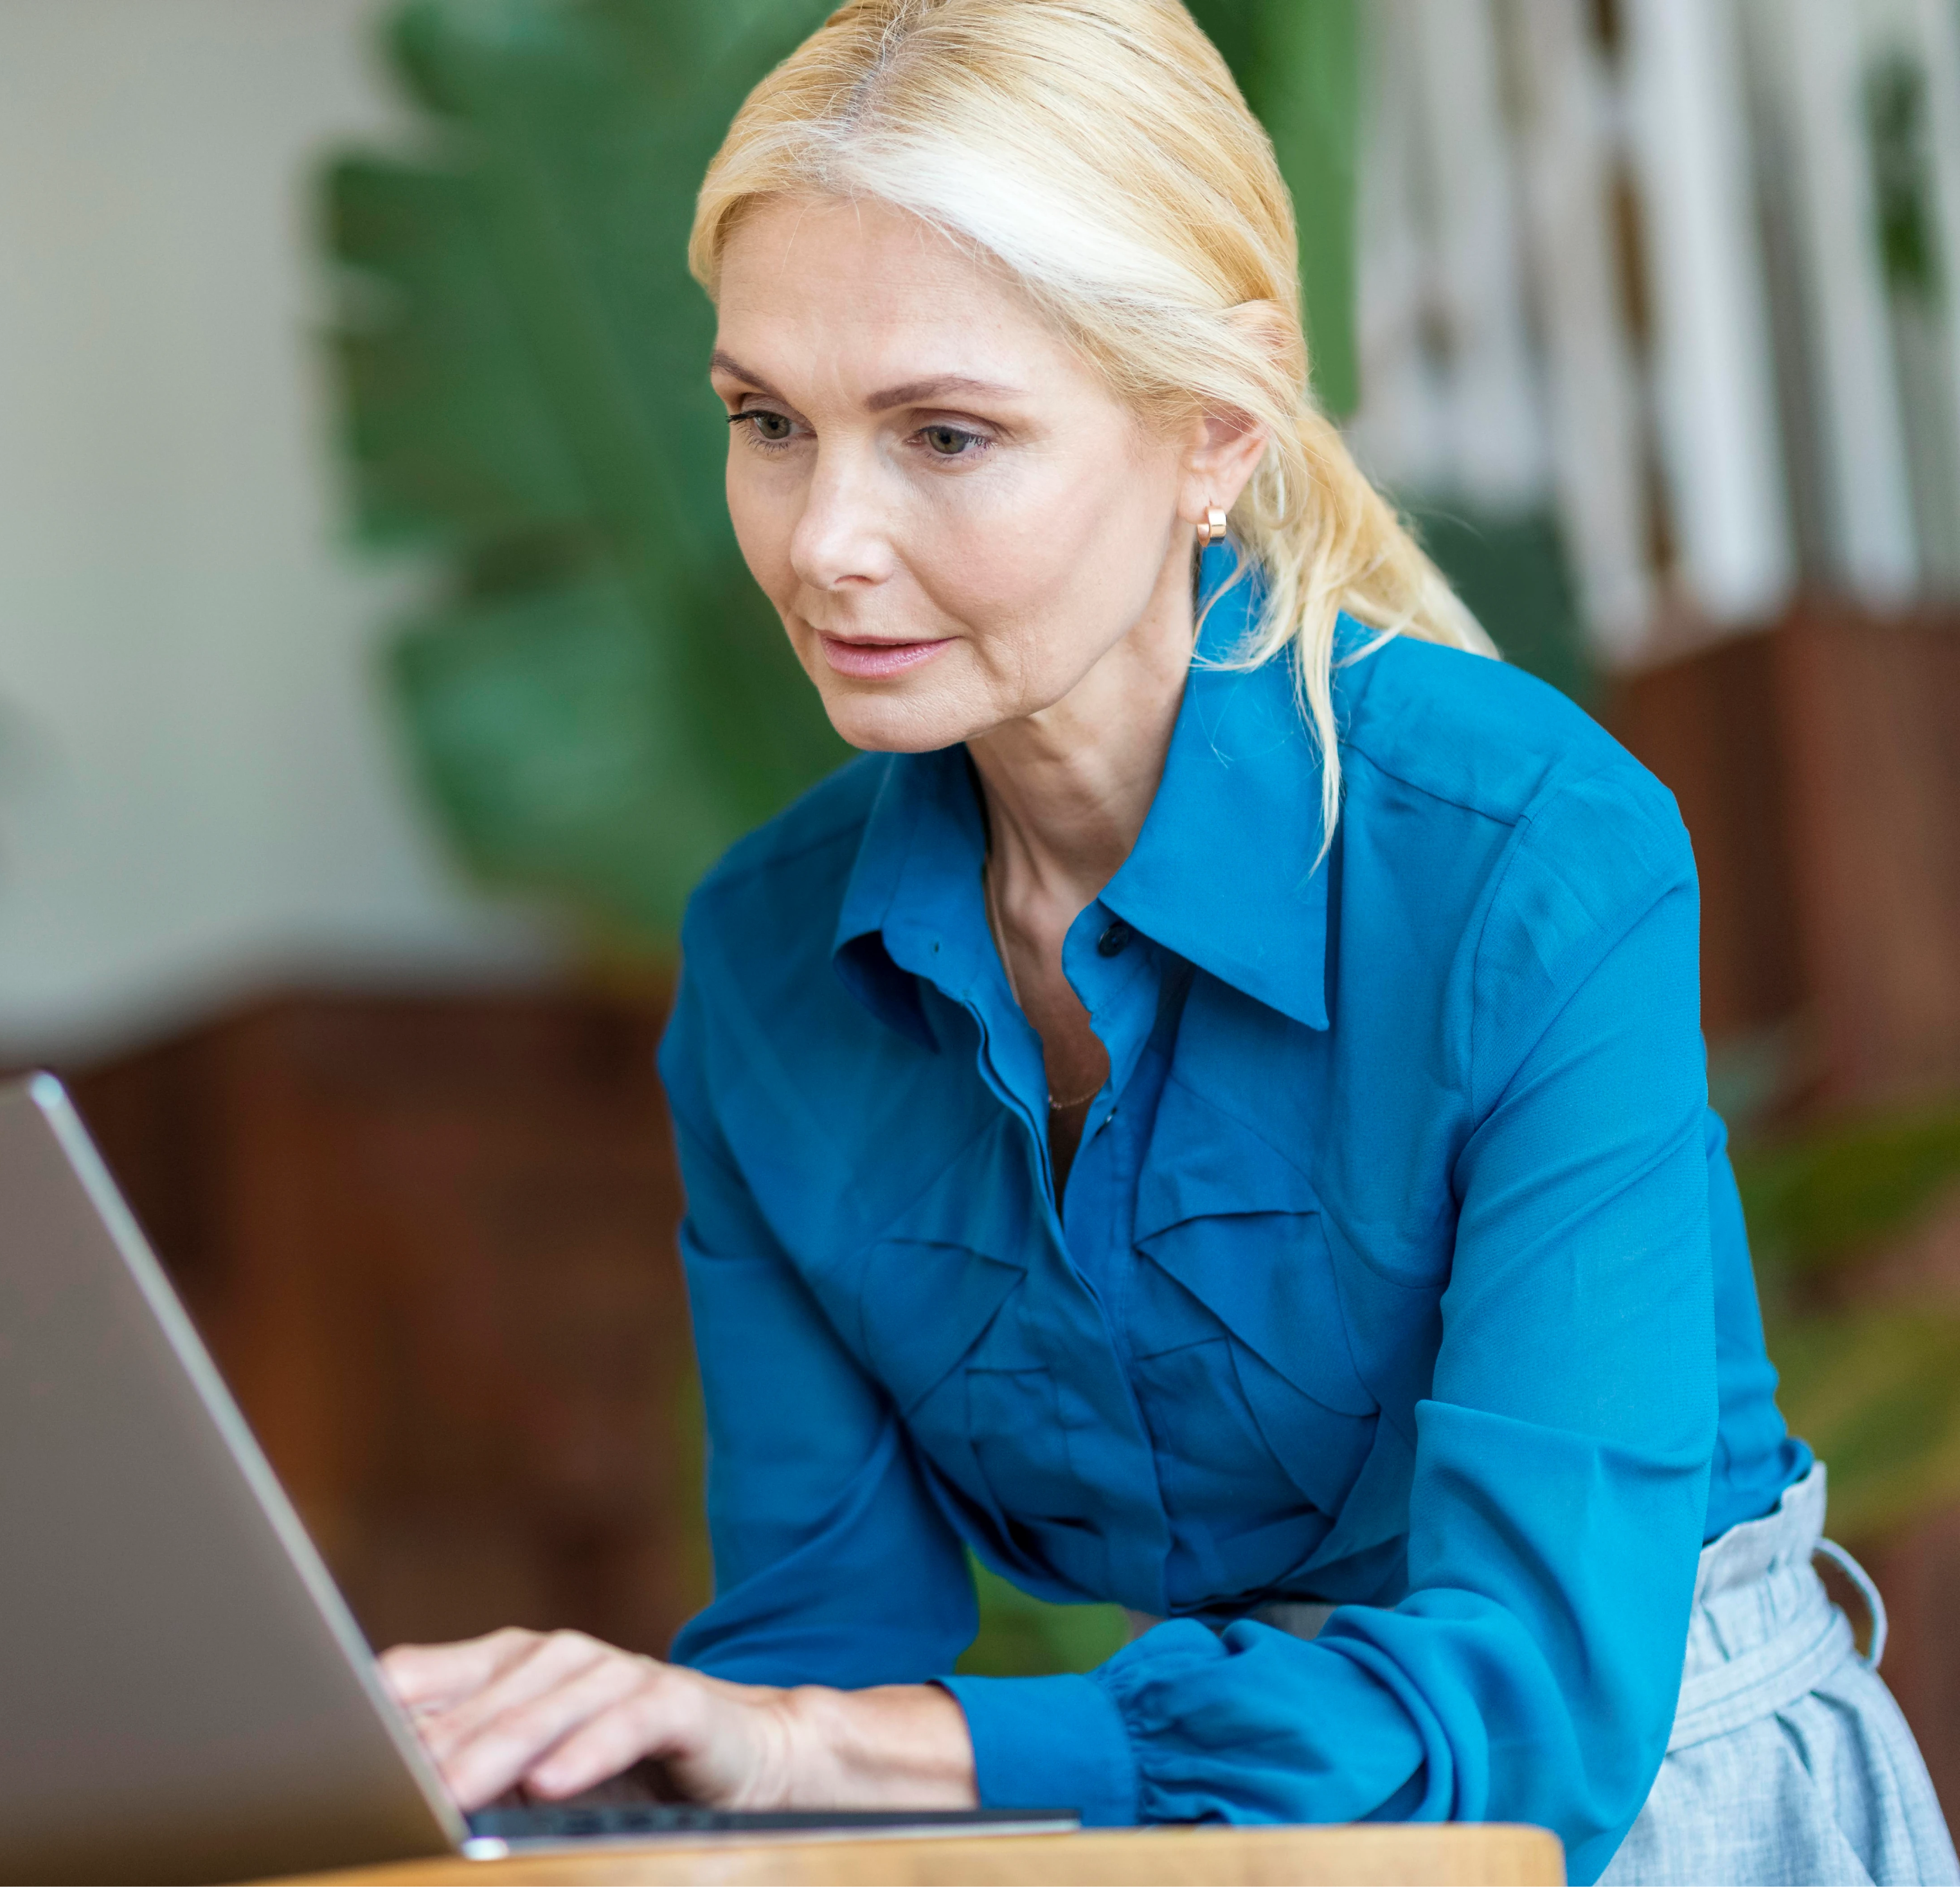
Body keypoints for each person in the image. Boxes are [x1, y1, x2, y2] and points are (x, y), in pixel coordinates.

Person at [374, 3, 1960, 1881]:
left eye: (945, 434)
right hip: (1196, 1844)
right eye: (769, 423)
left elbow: (1529, 1707)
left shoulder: (1526, 851)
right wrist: (599, 1759)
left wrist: (829, 1742)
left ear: (1214, 426)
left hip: (1656, 1819)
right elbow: (814, 1662)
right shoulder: (767, 965)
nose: (824, 544)